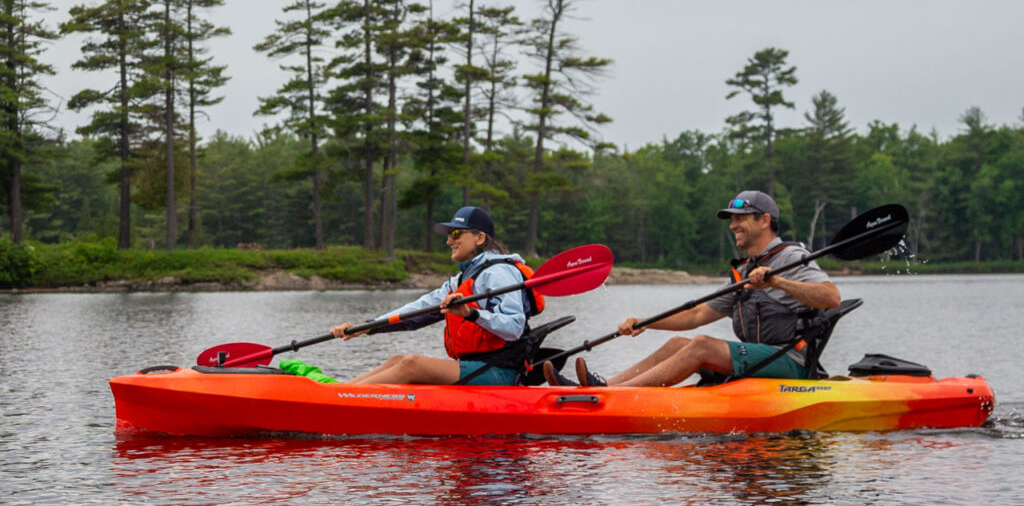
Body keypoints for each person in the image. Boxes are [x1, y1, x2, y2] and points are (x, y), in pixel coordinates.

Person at [544, 190, 841, 388]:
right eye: (731, 219)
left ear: (764, 221)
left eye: (740, 218)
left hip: (789, 360)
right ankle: (604, 387)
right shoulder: (746, 269)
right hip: (762, 358)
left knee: (701, 345)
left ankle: (611, 396)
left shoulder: (789, 257)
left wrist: (777, 281)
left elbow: (832, 298)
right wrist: (645, 323)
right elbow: (697, 313)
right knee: (678, 345)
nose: (732, 225)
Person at [332, 206, 539, 385]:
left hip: (500, 370)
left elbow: (514, 327)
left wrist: (470, 314)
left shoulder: (499, 273)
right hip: (475, 367)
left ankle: (336, 400)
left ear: (480, 238)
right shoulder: (462, 278)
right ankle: (336, 393)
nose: (449, 241)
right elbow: (417, 310)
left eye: (456, 234)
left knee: (411, 364)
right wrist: (368, 327)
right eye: (449, 235)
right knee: (397, 360)